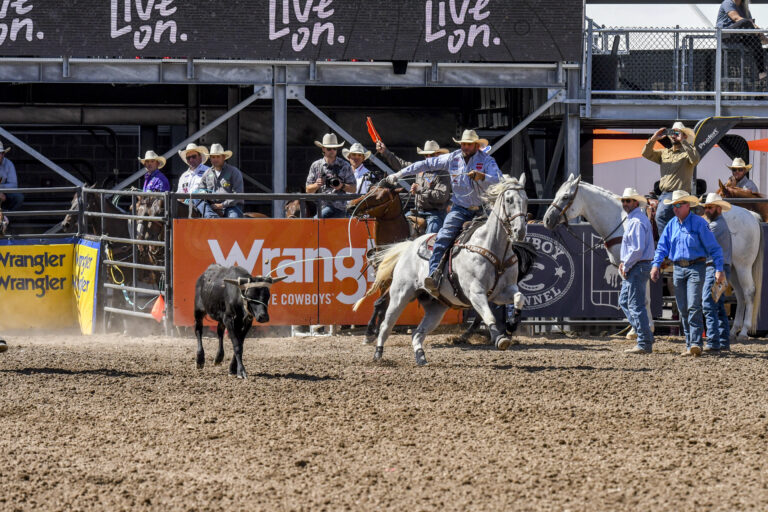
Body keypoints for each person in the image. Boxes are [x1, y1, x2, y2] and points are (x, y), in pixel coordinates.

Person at [386, 129, 502, 295]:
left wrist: (482, 176)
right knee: (442, 238)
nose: (465, 147)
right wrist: (400, 174)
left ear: (476, 146)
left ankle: (501, 278)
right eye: (463, 144)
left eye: (468, 144)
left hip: (484, 209)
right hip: (460, 208)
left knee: (500, 239)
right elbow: (425, 165)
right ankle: (433, 275)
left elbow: (499, 179)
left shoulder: (487, 161)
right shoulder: (453, 158)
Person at [650, 190, 725, 357]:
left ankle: (695, 343)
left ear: (687, 206)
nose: (675, 208)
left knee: (693, 305)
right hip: (678, 268)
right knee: (683, 307)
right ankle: (689, 343)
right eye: (674, 205)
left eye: (678, 205)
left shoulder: (699, 224)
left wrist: (719, 268)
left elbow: (714, 248)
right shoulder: (671, 225)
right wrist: (655, 265)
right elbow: (662, 247)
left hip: (696, 267)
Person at [377, 139, 452, 234]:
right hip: (417, 211)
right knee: (399, 225)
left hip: (435, 214)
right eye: (426, 155)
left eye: (432, 155)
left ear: (438, 155)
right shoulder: (420, 168)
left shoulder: (443, 173)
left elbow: (441, 196)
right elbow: (402, 165)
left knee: (430, 237)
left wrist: (420, 189)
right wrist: (385, 152)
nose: (429, 158)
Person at [642, 122, 700, 235]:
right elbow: (645, 153)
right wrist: (654, 139)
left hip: (679, 194)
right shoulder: (665, 153)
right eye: (672, 132)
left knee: (660, 217)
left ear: (684, 136)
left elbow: (695, 159)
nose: (674, 135)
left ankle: (667, 247)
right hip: (664, 194)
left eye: (677, 133)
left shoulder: (687, 152)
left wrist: (683, 141)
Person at [617, 188, 656, 354]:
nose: (625, 203)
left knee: (634, 304)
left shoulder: (636, 221)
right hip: (638, 264)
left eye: (628, 201)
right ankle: (645, 334)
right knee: (626, 301)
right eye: (624, 201)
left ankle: (644, 342)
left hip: (637, 265)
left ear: (635, 202)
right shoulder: (637, 219)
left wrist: (625, 264)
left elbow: (637, 248)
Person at [700, 193, 733, 352]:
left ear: (718, 209)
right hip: (723, 267)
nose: (707, 210)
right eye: (706, 207)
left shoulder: (715, 226)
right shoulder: (721, 224)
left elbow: (703, 243)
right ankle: (723, 341)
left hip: (714, 268)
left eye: (710, 207)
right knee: (718, 304)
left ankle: (713, 341)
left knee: (708, 303)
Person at [306, 133, 356, 219]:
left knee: (314, 225)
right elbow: (308, 190)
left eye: (335, 148)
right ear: (323, 149)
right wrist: (316, 185)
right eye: (329, 148)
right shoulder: (316, 165)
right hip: (321, 208)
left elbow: (353, 189)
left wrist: (341, 186)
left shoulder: (345, 165)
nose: (332, 150)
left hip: (340, 209)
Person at [717, 0, 768, 80]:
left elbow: (751, 23)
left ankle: (761, 71)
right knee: (745, 22)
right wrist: (758, 30)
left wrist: (756, 30)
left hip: (739, 36)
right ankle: (762, 38)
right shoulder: (728, 2)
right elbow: (736, 18)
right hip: (725, 34)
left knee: (755, 40)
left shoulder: (744, 7)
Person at [196, 143, 245, 218]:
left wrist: (222, 205)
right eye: (213, 157)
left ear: (224, 157)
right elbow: (200, 190)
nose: (215, 159)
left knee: (233, 222)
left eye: (218, 157)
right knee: (196, 199)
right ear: (210, 159)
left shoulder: (234, 172)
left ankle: (212, 217)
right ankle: (211, 217)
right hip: (212, 206)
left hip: (231, 207)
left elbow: (238, 194)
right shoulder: (207, 173)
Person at [176, 143, 210, 209]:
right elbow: (179, 194)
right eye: (188, 158)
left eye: (194, 157)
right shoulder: (183, 176)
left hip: (201, 208)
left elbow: (211, 191)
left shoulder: (208, 171)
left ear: (200, 157)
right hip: (184, 209)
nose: (191, 160)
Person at [0, 140, 23, 212]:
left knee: (18, 197)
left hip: (5, 194)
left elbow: (13, 185)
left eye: (0, 153)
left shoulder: (9, 164)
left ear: (3, 154)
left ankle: (6, 218)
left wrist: (1, 191)